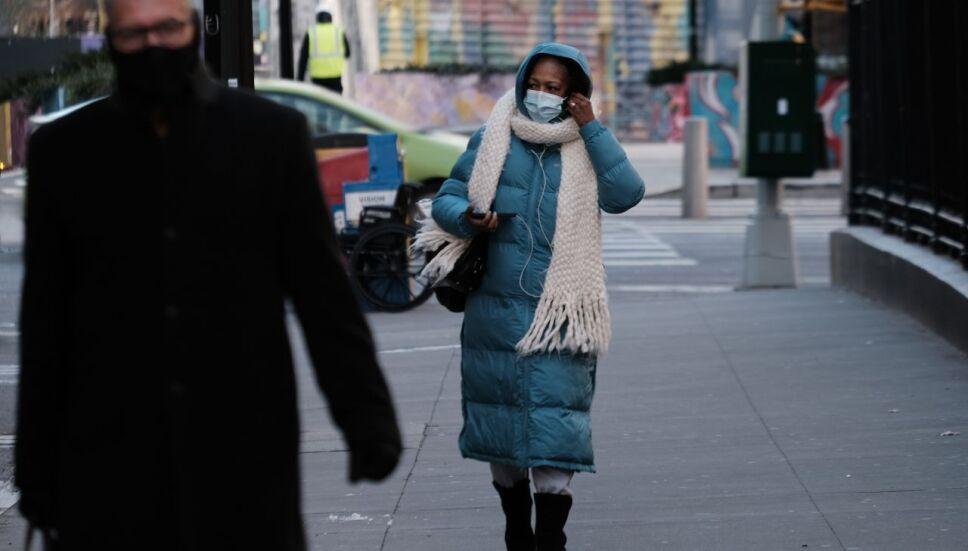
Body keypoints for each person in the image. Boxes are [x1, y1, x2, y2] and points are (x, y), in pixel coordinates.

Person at [14, 0, 401, 549]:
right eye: (133, 34)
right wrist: (36, 469)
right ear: (111, 38)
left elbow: (323, 296)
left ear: (192, 29)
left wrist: (367, 420)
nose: (153, 46)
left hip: (241, 446)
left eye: (167, 28)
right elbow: (46, 317)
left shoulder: (270, 137)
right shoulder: (66, 151)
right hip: (107, 455)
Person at [415, 43, 645, 550]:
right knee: (502, 439)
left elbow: (626, 193)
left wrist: (592, 128)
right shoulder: (494, 137)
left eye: (553, 88)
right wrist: (470, 216)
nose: (541, 95)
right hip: (495, 316)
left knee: (556, 438)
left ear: (573, 94)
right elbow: (449, 197)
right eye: (535, 85)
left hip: (562, 315)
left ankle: (550, 540)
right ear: (523, 85)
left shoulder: (588, 144)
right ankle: (516, 530)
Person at [297, 8, 350, 94]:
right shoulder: (339, 31)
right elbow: (348, 54)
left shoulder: (311, 32)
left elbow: (303, 59)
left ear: (317, 18)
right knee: (335, 104)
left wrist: (300, 80)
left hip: (318, 80)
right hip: (335, 78)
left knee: (320, 105)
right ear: (330, 17)